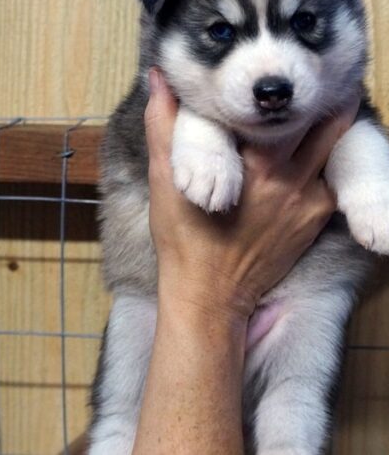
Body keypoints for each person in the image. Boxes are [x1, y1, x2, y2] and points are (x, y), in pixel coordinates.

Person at [131, 68, 358, 454]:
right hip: (164, 305)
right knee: (122, 421)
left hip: (293, 300)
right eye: (222, 36)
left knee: (291, 417)